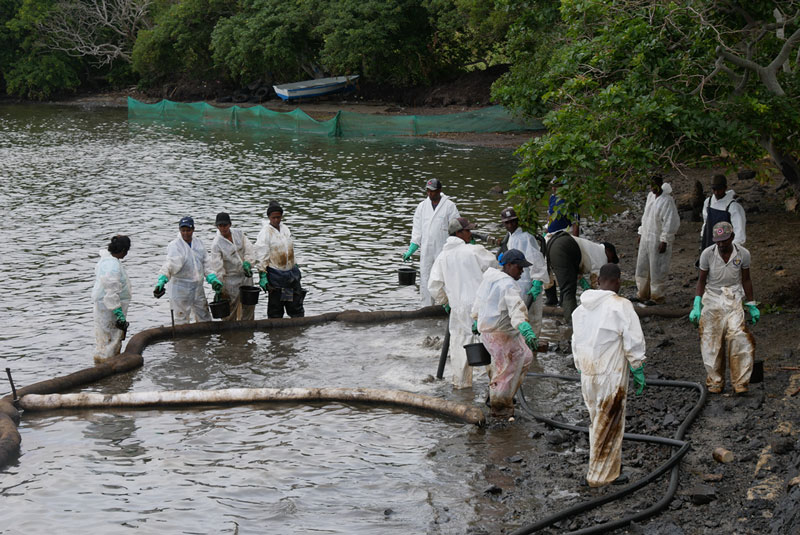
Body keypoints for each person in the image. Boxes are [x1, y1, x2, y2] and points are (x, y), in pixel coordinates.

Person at [572, 263, 646, 487]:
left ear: (598, 281)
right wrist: (637, 366)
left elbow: (575, 341)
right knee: (610, 423)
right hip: (610, 373)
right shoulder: (620, 305)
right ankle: (602, 476)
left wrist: (579, 365)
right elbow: (633, 339)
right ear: (617, 281)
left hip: (587, 373)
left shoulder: (581, 309)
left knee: (596, 420)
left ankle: (598, 467)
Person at [428, 217, 498, 388]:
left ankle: (462, 387)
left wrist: (445, 301)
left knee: (460, 346)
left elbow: (434, 286)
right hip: (481, 306)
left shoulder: (442, 257)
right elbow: (495, 269)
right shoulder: (475, 250)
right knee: (490, 344)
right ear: (459, 233)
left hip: (457, 307)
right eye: (468, 230)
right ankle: (496, 386)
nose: (471, 233)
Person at [689, 221, 758, 394]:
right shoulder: (708, 254)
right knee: (711, 339)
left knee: (739, 336)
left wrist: (751, 303)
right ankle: (715, 381)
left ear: (732, 237)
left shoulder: (743, 254)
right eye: (718, 241)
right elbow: (702, 280)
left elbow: (746, 279)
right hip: (712, 297)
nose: (721, 244)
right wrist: (697, 303)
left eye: (724, 240)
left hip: (733, 296)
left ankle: (740, 382)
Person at [470, 249, 539, 418]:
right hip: (500, 334)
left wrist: (476, 318)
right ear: (508, 265)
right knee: (511, 365)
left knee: (508, 364)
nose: (522, 271)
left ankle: (497, 396)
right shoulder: (508, 284)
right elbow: (516, 308)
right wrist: (525, 327)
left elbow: (479, 300)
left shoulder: (490, 278)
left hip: (488, 333)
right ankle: (500, 406)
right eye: (519, 267)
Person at [153, 216, 222, 324]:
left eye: (188, 230)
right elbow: (170, 264)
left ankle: (203, 340)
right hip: (180, 288)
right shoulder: (175, 246)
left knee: (204, 316)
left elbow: (206, 263)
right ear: (179, 230)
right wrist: (162, 279)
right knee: (181, 319)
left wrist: (212, 278)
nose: (185, 233)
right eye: (183, 230)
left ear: (193, 229)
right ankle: (183, 341)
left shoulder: (198, 243)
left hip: (197, 287)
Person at [402, 178, 460, 306]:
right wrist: (411, 249)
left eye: (433, 191)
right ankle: (426, 308)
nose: (430, 193)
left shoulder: (449, 206)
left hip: (444, 250)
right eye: (428, 191)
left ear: (439, 190)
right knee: (426, 279)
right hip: (427, 251)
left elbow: (456, 229)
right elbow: (417, 230)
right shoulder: (422, 207)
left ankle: (446, 307)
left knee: (444, 279)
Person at [545, 230, 619, 324]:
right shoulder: (602, 256)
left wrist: (585, 286)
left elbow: (575, 271)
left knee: (563, 282)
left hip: (552, 243)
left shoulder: (592, 248)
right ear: (609, 252)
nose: (609, 262)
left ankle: (555, 306)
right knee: (569, 288)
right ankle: (571, 322)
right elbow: (597, 285)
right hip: (564, 246)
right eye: (611, 260)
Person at [500, 207, 550, 338]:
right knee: (518, 319)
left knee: (532, 321)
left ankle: (532, 353)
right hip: (517, 286)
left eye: (513, 221)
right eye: (507, 222)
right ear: (503, 224)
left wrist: (538, 281)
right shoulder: (510, 238)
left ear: (517, 221)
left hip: (529, 285)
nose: (510, 225)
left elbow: (536, 260)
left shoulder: (525, 238)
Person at [255, 201, 306, 318]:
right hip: (276, 275)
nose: (276, 220)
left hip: (289, 274)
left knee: (293, 305)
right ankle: (275, 333)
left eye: (278, 217)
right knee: (276, 308)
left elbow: (289, 249)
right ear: (269, 217)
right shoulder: (265, 233)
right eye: (274, 218)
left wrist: (295, 265)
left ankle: (295, 330)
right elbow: (262, 255)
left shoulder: (285, 229)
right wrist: (262, 275)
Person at [634, 174, 680, 304]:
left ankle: (657, 296)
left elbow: (670, 222)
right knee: (642, 265)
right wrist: (641, 232)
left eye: (655, 185)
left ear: (660, 185)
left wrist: (665, 239)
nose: (652, 188)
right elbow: (645, 216)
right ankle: (642, 293)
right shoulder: (650, 197)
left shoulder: (667, 200)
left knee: (657, 268)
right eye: (651, 185)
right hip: (646, 236)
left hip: (657, 238)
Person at [209, 212, 257, 321]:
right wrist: (219, 285)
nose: (223, 228)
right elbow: (217, 266)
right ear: (217, 227)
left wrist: (248, 263)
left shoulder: (239, 234)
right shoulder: (216, 244)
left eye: (225, 225)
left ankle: (248, 332)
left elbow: (249, 250)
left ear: (230, 224)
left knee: (249, 307)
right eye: (220, 226)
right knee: (230, 311)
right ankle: (230, 336)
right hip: (230, 280)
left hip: (245, 276)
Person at [92, 235, 132, 364]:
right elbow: (111, 292)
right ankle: (107, 365)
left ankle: (101, 364)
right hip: (109, 308)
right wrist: (118, 313)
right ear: (124, 250)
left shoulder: (106, 260)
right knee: (110, 339)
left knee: (104, 338)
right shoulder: (112, 266)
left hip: (104, 305)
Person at [699, 174, 746, 250]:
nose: (716, 192)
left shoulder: (733, 207)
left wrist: (734, 249)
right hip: (709, 244)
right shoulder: (708, 202)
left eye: (719, 189)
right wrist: (702, 238)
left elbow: (739, 231)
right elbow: (706, 223)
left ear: (725, 188)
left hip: (726, 247)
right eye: (714, 189)